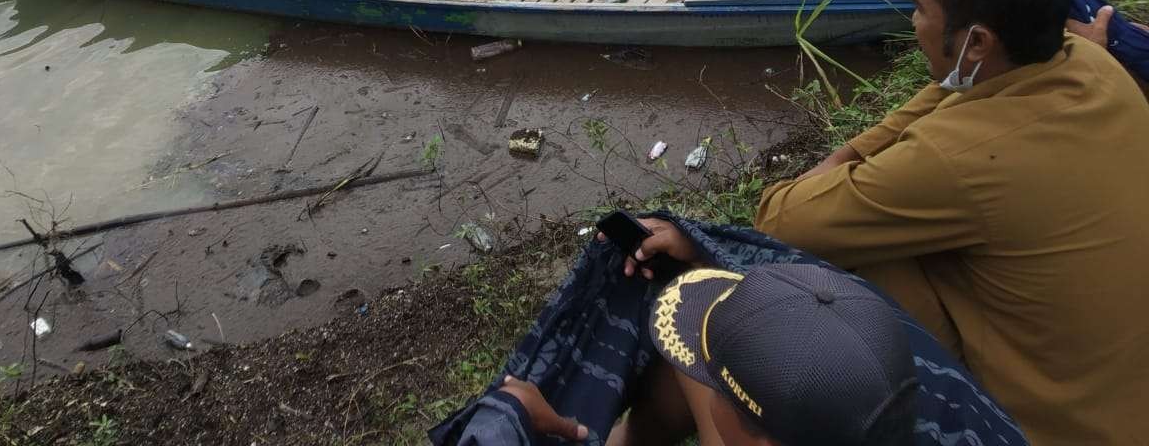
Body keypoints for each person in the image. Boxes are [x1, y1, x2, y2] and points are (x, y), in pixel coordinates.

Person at [737, 0, 1149, 443]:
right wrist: (958, 76)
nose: (913, 23)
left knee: (853, 251)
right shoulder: (1095, 62)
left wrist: (845, 155)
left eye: (920, 8)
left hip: (1041, 430)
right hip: (1121, 398)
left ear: (977, 43)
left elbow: (779, 219)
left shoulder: (954, 159)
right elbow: (971, 91)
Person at [432, 218, 1027, 446]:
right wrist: (697, 250)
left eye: (710, 377)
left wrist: (531, 424)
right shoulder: (904, 375)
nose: (697, 378)